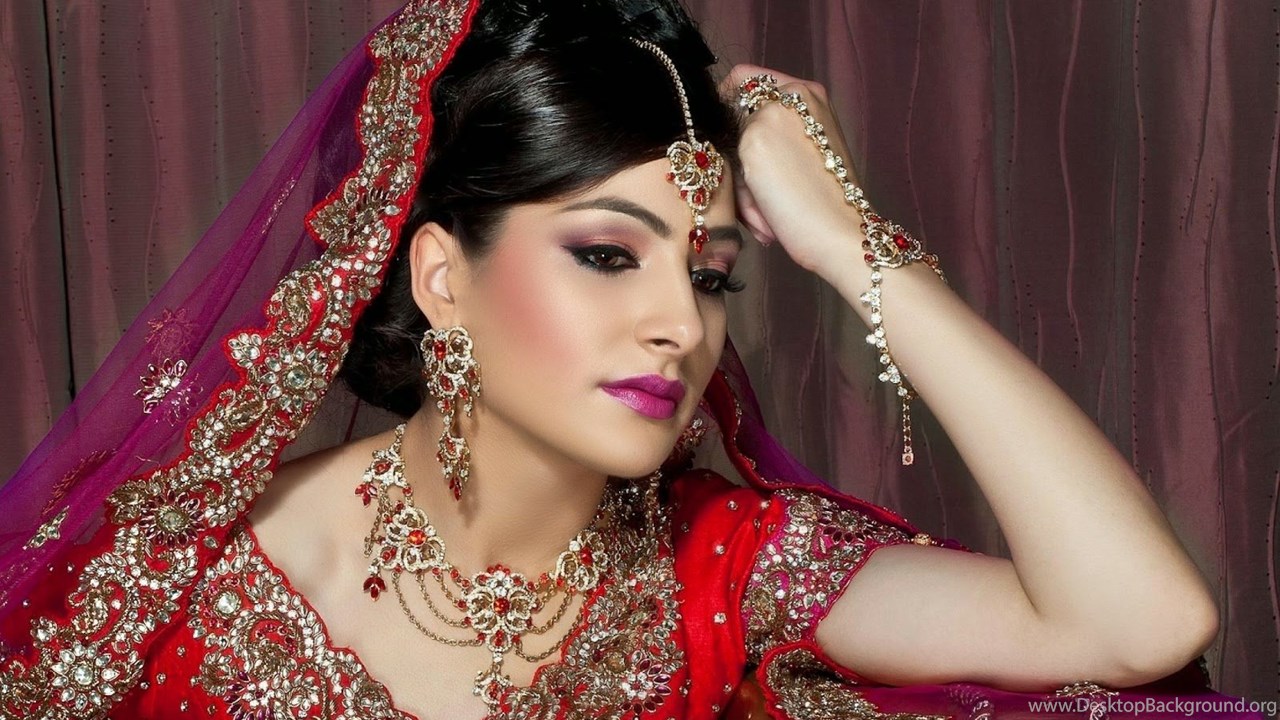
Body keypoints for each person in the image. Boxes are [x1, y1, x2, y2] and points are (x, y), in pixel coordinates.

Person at [0, 1, 1260, 718]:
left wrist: (849, 243)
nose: (679, 324)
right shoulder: (170, 582)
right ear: (441, 278)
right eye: (608, 254)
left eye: (710, 275)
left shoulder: (726, 568)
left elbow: (1139, 622)